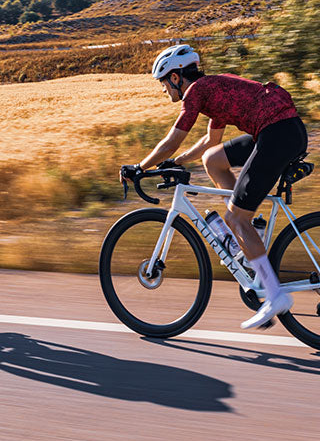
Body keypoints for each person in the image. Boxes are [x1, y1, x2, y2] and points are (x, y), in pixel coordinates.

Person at [121, 44, 309, 329]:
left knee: (235, 217)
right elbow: (210, 141)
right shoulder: (212, 90)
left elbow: (173, 138)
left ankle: (274, 295)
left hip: (277, 134)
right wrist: (177, 161)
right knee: (213, 159)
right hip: (280, 131)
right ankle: (247, 230)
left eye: (163, 83)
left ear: (175, 77)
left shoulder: (196, 91)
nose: (164, 91)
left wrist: (140, 167)